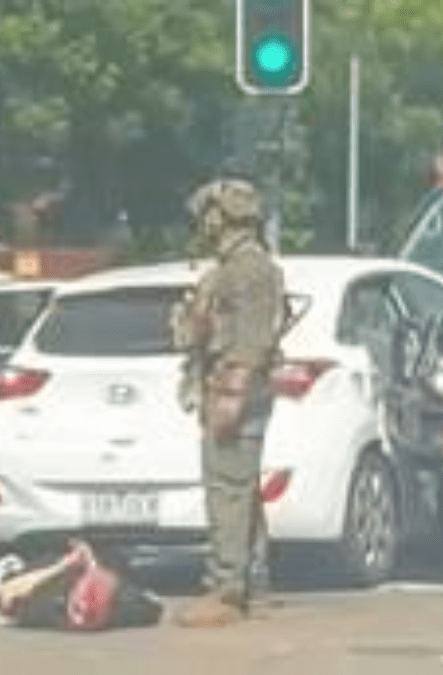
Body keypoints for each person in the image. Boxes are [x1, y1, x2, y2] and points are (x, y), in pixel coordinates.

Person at [172, 178, 285, 628]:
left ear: (221, 216)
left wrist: (232, 394)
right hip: (226, 384)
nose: (204, 224)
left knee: (228, 490)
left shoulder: (249, 269)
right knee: (240, 488)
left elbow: (253, 340)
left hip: (235, 388)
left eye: (208, 216)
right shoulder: (230, 268)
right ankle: (253, 585)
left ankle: (227, 588)